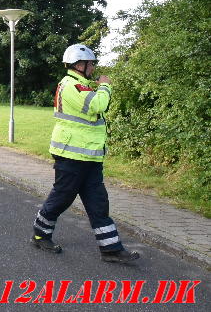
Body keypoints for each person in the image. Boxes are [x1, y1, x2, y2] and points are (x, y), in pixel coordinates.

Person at [30, 44, 140, 263]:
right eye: (91, 64)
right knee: (62, 197)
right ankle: (40, 234)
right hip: (71, 155)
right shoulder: (71, 86)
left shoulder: (82, 84)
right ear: (79, 65)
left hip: (90, 157)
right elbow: (98, 105)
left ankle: (111, 249)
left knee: (98, 202)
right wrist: (105, 86)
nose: (93, 68)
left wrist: (98, 86)